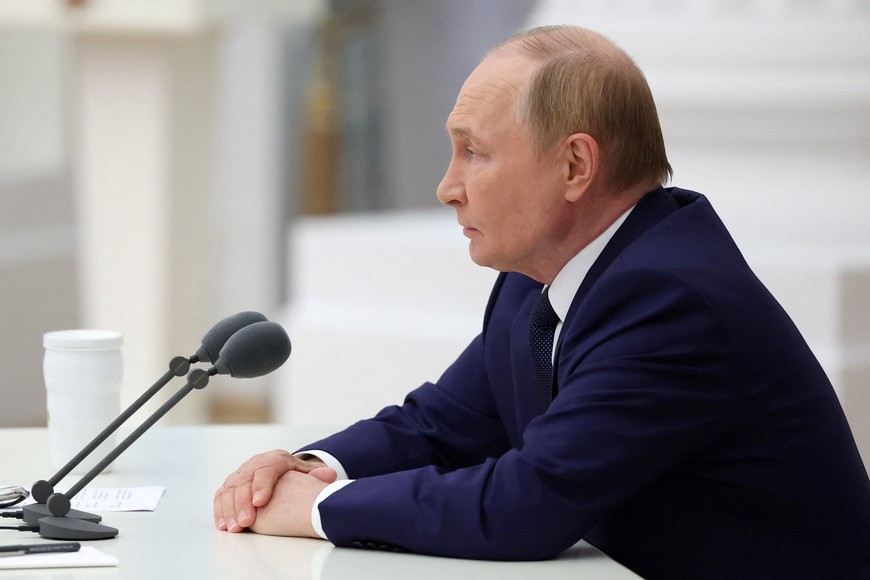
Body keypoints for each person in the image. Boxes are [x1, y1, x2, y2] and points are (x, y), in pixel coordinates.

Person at [214, 25, 870, 578]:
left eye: (475, 153)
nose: (447, 187)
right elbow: (441, 426)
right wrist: (309, 467)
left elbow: (527, 506)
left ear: (575, 166)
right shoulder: (541, 274)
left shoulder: (670, 300)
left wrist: (316, 509)